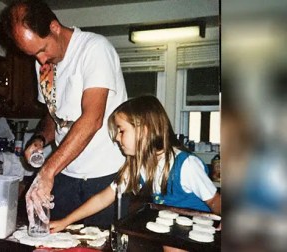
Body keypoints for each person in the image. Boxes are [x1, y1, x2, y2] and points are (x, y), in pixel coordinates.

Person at [1, 0, 127, 228]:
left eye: (41, 50)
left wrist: (47, 171)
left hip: (105, 176)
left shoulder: (94, 50)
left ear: (54, 27)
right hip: (67, 174)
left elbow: (92, 119)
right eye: (33, 55)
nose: (40, 61)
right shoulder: (43, 63)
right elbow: (53, 114)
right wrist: (40, 139)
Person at [50, 95, 221, 252]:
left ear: (144, 130)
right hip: (171, 233)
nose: (117, 137)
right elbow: (105, 197)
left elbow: (214, 199)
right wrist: (66, 221)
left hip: (197, 237)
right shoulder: (138, 166)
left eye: (121, 130)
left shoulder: (186, 166)